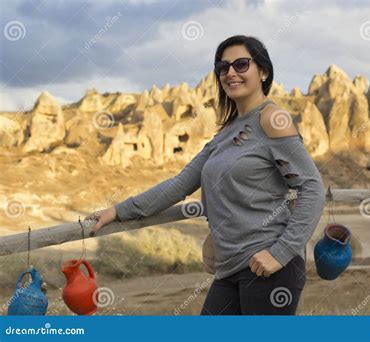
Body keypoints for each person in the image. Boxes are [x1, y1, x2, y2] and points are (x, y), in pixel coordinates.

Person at [85, 35, 326, 315]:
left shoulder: (272, 119)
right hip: (229, 270)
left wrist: (280, 252)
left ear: (263, 71)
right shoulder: (225, 133)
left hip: (268, 267)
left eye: (241, 64)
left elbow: (312, 188)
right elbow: (179, 184)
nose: (231, 73)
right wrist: (117, 210)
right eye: (223, 68)